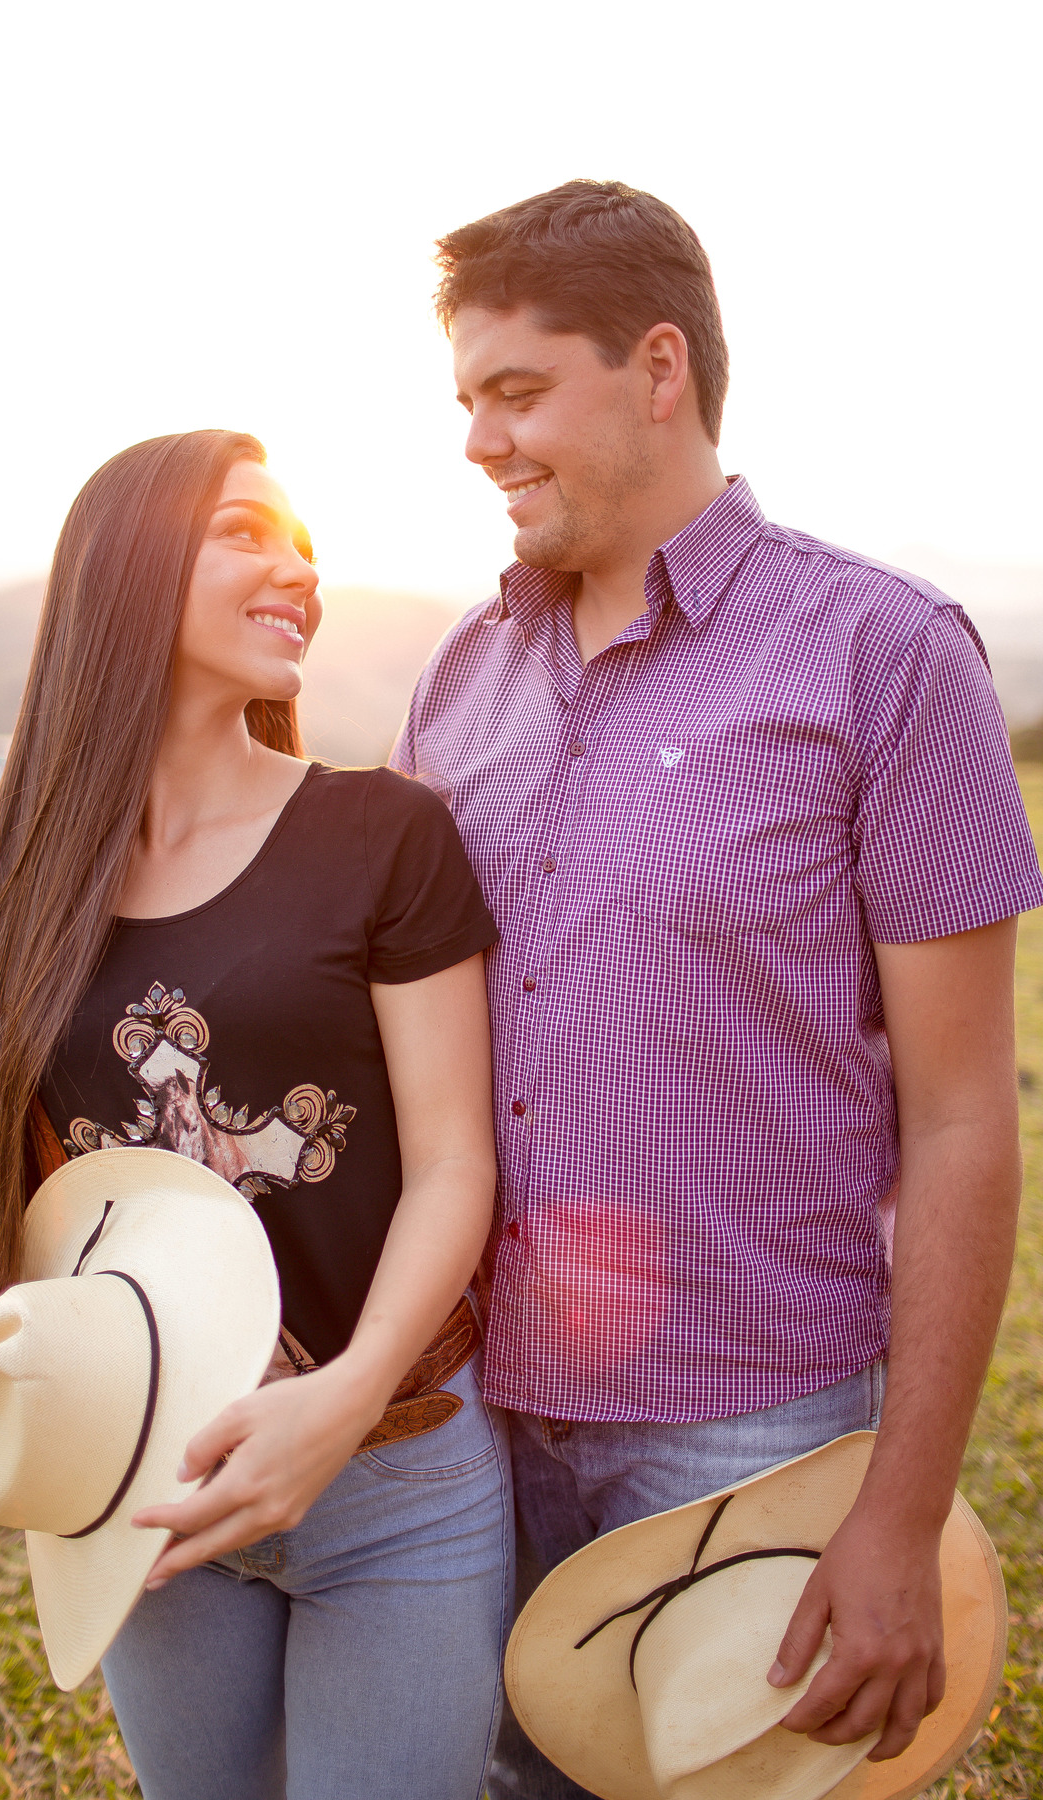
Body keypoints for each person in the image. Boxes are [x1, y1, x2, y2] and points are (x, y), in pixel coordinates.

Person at [391, 180, 1043, 1799]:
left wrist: (899, 1514)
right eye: (467, 402)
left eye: (518, 391)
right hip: (472, 1421)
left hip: (753, 1425)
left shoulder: (885, 656)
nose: (480, 440)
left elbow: (965, 1117)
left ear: (660, 366)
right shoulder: (458, 678)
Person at [0, 429, 512, 1800]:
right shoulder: (18, 888)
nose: (296, 571)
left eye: (304, 545)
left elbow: (454, 1165)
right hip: (133, 1481)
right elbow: (12, 1213)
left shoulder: (385, 834)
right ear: (130, 573)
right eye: (246, 533)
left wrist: (342, 1396)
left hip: (392, 1476)